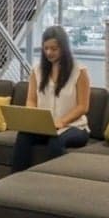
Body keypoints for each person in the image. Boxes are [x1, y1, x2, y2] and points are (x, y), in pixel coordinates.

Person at [10, 26, 91, 172]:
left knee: (56, 141)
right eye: (46, 48)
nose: (49, 52)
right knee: (23, 136)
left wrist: (62, 122)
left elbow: (83, 106)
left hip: (74, 127)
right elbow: (31, 100)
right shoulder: (37, 70)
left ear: (63, 48)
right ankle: (16, 179)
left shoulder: (79, 71)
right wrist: (31, 116)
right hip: (45, 127)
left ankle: (51, 182)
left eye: (54, 49)